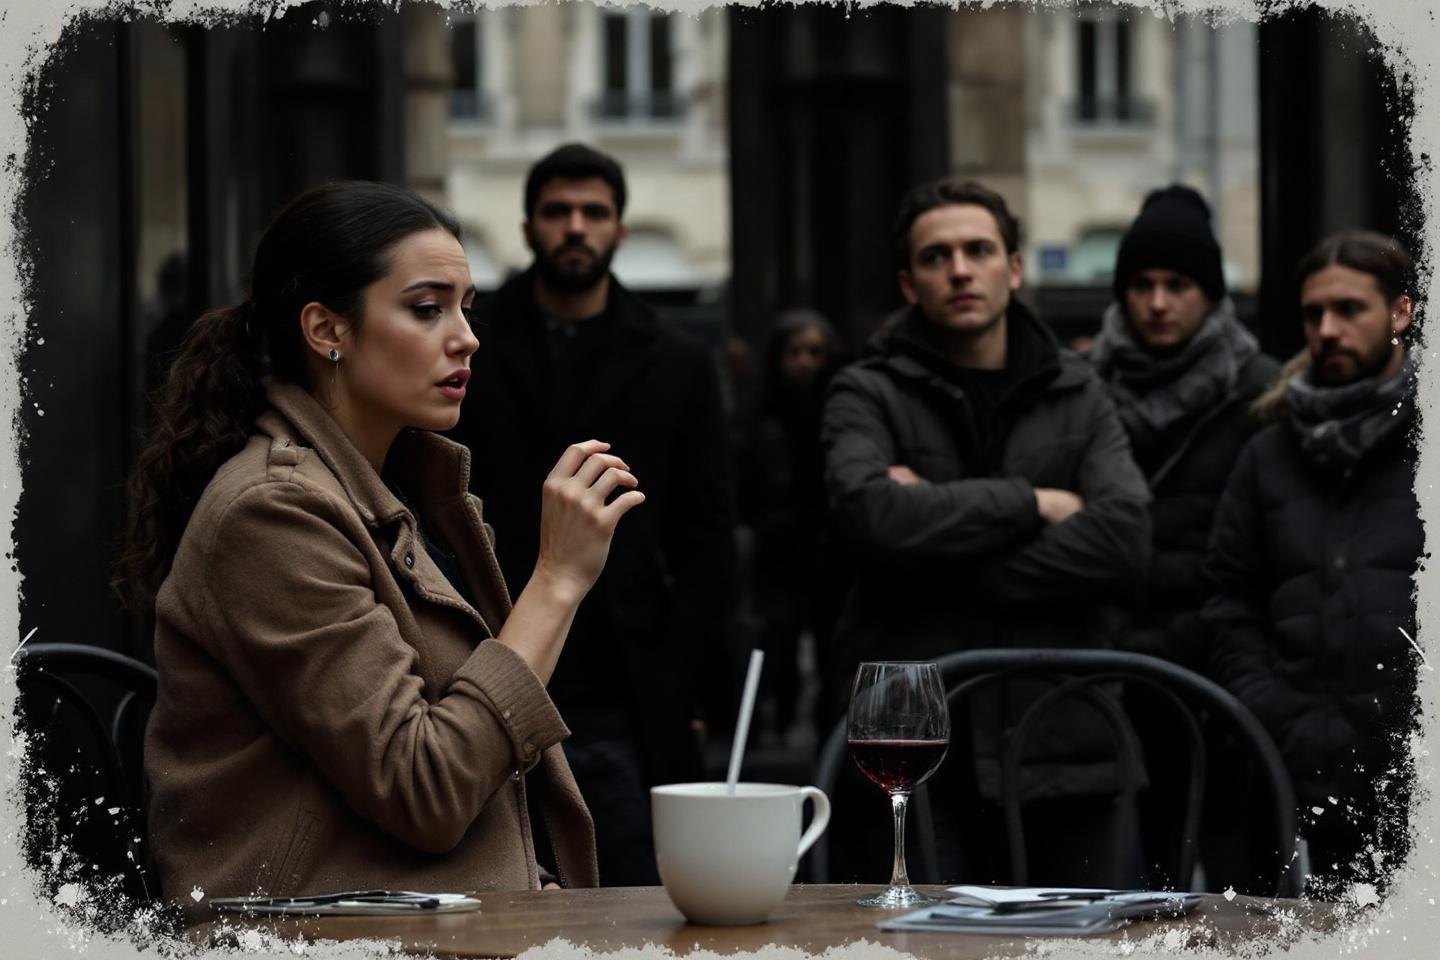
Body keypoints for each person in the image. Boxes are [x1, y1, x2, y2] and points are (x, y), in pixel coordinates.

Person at [117, 182, 641, 920]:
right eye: (427, 309)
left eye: (466, 307)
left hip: (426, 920)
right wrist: (556, 579)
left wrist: (516, 875)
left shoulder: (406, 492)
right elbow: (426, 787)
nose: (466, 336)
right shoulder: (272, 513)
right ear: (327, 329)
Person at [821, 178, 1152, 884]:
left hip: (1069, 738)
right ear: (910, 284)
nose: (961, 269)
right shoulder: (866, 390)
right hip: (918, 756)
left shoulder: (1078, 387)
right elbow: (876, 517)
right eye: (937, 257)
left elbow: (1125, 539)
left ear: (1015, 268)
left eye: (978, 250)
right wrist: (1033, 502)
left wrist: (933, 552)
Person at [449, 144, 736, 886]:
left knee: (632, 888)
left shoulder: (678, 359)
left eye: (593, 213)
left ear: (620, 230)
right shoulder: (466, 350)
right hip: (488, 654)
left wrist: (695, 687)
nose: (575, 228)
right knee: (504, 883)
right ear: (527, 226)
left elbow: (707, 535)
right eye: (557, 212)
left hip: (632, 681)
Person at [1203, 230, 1421, 898]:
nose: (1326, 330)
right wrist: (1273, 713)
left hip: (1414, 780)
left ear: (1400, 313)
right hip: (1281, 773)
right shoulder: (1267, 456)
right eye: (1312, 313)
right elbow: (1226, 602)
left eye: (1349, 309)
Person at [1089, 185, 1279, 668]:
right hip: (1099, 646)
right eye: (1141, 285)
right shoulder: (1084, 385)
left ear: (1209, 294)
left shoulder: (1260, 389)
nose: (1157, 303)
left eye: (1177, 285)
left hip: (1214, 652)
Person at [736, 309, 849, 743]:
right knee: (777, 647)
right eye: (795, 351)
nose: (805, 361)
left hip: (828, 552)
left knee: (831, 650)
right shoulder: (759, 411)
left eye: (816, 352)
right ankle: (777, 726)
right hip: (777, 552)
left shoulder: (843, 410)